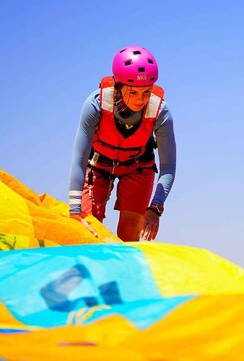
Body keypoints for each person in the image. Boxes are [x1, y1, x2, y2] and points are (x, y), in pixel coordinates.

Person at [68, 45, 176, 242]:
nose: (141, 100)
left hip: (137, 167)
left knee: (129, 234)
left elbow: (168, 166)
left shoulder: (161, 112)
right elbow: (78, 159)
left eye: (146, 92)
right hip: (98, 165)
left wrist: (155, 207)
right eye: (133, 92)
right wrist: (74, 209)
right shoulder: (94, 104)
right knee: (87, 231)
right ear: (118, 86)